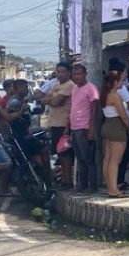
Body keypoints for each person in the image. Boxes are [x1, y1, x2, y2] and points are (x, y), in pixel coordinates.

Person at [6, 79, 52, 183]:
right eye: (25, 88)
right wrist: (21, 111)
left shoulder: (22, 99)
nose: (27, 90)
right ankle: (45, 176)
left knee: (42, 150)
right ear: (18, 89)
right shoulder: (14, 102)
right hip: (19, 136)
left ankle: (47, 176)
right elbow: (7, 117)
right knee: (31, 156)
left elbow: (34, 98)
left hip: (26, 133)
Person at [42, 61, 74, 190]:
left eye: (63, 72)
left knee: (64, 154)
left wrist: (49, 100)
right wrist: (49, 100)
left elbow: (55, 102)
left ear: (69, 72)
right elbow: (44, 99)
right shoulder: (56, 85)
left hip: (64, 124)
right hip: (55, 124)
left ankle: (68, 180)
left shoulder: (69, 85)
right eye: (58, 72)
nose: (60, 74)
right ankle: (65, 178)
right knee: (60, 154)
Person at [68, 64, 99, 193]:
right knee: (80, 159)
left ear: (85, 74)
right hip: (74, 128)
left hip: (85, 128)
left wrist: (92, 129)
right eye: (75, 74)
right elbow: (73, 108)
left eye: (79, 74)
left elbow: (95, 109)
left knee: (88, 159)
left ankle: (92, 185)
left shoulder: (91, 88)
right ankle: (83, 184)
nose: (77, 76)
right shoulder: (74, 88)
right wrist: (68, 127)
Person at [100, 71, 129, 198]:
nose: (122, 83)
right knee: (115, 160)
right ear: (115, 82)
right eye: (121, 81)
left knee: (107, 159)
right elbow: (123, 115)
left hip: (107, 125)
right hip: (116, 127)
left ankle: (109, 186)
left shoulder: (104, 94)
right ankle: (114, 189)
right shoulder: (114, 96)